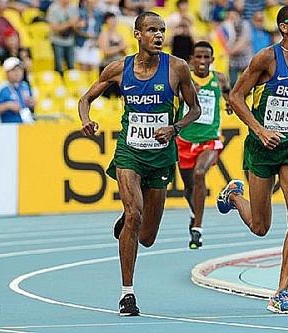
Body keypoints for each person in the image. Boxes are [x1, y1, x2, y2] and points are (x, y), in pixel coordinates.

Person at [78, 11, 201, 316]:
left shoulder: (177, 68)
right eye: (151, 30)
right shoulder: (119, 68)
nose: (158, 35)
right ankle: (127, 295)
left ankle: (127, 222)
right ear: (137, 35)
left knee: (146, 236)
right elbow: (85, 99)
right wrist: (86, 120)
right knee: (135, 214)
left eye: (161, 30)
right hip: (129, 152)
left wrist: (175, 128)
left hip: (160, 156)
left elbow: (194, 109)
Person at [216, 4, 288, 314]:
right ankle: (234, 195)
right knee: (260, 226)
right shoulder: (266, 58)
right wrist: (260, 129)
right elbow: (236, 97)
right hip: (261, 147)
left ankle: (281, 292)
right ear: (284, 27)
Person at [175, 40, 231, 249]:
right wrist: (186, 94)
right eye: (198, 56)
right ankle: (194, 211)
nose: (202, 61)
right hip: (184, 140)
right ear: (191, 59)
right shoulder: (184, 78)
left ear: (212, 60)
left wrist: (229, 104)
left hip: (209, 139)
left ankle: (197, 228)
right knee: (189, 187)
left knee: (200, 174)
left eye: (206, 57)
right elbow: (174, 98)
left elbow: (228, 94)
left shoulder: (220, 78)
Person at [0, 57, 35, 123]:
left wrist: (32, 103)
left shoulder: (25, 86)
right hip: (7, 127)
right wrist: (7, 106)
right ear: (6, 73)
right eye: (14, 70)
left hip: (26, 125)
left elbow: (30, 105)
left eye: (20, 69)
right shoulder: (2, 88)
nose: (18, 73)